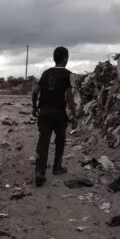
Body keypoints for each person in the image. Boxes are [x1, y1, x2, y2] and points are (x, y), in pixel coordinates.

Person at [31, 46, 78, 187]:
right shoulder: (68, 74)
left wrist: (34, 107)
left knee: (43, 142)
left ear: (54, 58)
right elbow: (69, 96)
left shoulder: (45, 73)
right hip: (59, 113)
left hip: (44, 112)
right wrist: (74, 114)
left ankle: (39, 172)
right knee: (60, 139)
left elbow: (35, 91)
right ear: (65, 58)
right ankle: (57, 167)